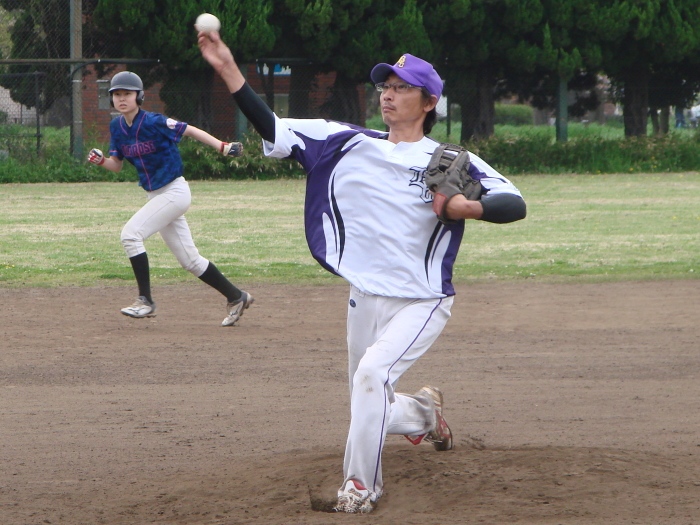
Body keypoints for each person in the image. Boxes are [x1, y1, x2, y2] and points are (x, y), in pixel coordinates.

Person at [197, 31, 526, 513]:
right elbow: (272, 127)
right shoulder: (345, 142)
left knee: (371, 375)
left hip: (421, 300)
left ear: (429, 102)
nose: (388, 94)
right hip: (363, 298)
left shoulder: (450, 161)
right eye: (385, 86)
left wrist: (466, 207)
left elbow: (514, 203)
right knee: (369, 399)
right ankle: (424, 413)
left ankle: (359, 488)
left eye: (402, 87)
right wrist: (228, 68)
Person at [87, 71, 254, 326]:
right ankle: (237, 296)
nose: (121, 98)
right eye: (117, 94)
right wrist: (101, 161)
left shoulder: (154, 121)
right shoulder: (116, 127)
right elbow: (117, 165)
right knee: (190, 261)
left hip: (175, 192)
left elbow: (190, 130)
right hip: (155, 196)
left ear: (139, 96)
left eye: (127, 94)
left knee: (130, 235)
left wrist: (222, 146)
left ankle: (145, 300)